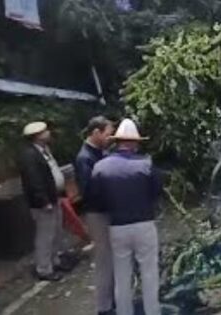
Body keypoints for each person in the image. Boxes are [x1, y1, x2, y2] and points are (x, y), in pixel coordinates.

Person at [90, 119, 162, 315]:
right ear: (135, 142)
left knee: (122, 275)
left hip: (117, 226)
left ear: (118, 141)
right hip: (144, 224)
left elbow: (95, 198)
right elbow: (157, 192)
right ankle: (152, 312)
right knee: (149, 273)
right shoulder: (146, 165)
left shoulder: (100, 167)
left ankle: (124, 312)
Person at [18, 122, 70, 281]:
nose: (48, 133)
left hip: (55, 197)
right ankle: (44, 269)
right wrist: (43, 201)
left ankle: (55, 261)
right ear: (37, 135)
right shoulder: (29, 155)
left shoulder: (44, 151)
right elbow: (34, 181)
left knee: (56, 233)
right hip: (43, 203)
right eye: (44, 131)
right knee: (45, 236)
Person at [74, 116, 115, 315]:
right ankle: (104, 306)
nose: (110, 138)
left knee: (111, 256)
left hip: (105, 211)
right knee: (104, 258)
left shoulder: (99, 152)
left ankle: (111, 299)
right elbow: (89, 191)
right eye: (108, 134)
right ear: (96, 133)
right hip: (97, 214)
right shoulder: (85, 158)